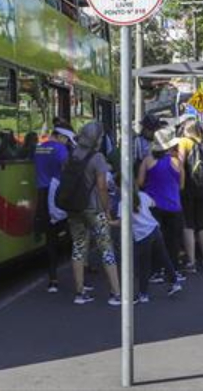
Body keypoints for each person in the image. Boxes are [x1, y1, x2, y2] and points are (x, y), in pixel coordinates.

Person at [64, 122, 122, 306]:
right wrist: (107, 210)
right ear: (97, 139)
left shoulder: (71, 155)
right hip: (94, 209)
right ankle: (116, 292)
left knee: (79, 246)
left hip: (74, 208)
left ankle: (80, 292)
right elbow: (102, 187)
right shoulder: (98, 158)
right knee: (106, 247)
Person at [109, 170, 183, 303]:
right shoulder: (143, 196)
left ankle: (143, 294)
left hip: (142, 236)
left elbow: (122, 223)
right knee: (164, 258)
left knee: (143, 266)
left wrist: (108, 222)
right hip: (155, 230)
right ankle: (174, 282)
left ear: (120, 187)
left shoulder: (123, 204)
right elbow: (153, 204)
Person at [137, 126, 185, 282]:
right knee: (174, 241)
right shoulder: (177, 161)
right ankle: (173, 270)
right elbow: (182, 185)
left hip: (153, 206)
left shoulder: (147, 160)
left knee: (156, 240)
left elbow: (140, 182)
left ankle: (155, 271)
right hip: (174, 205)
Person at [34, 126, 73, 293]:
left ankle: (53, 278)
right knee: (71, 233)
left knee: (50, 238)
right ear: (62, 137)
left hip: (42, 193)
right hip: (57, 193)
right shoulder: (61, 149)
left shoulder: (39, 148)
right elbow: (67, 169)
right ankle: (77, 275)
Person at [180, 119, 203, 273]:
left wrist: (179, 186)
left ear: (186, 130)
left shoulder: (184, 142)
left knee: (188, 224)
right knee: (202, 224)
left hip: (188, 187)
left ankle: (191, 262)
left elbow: (179, 165)